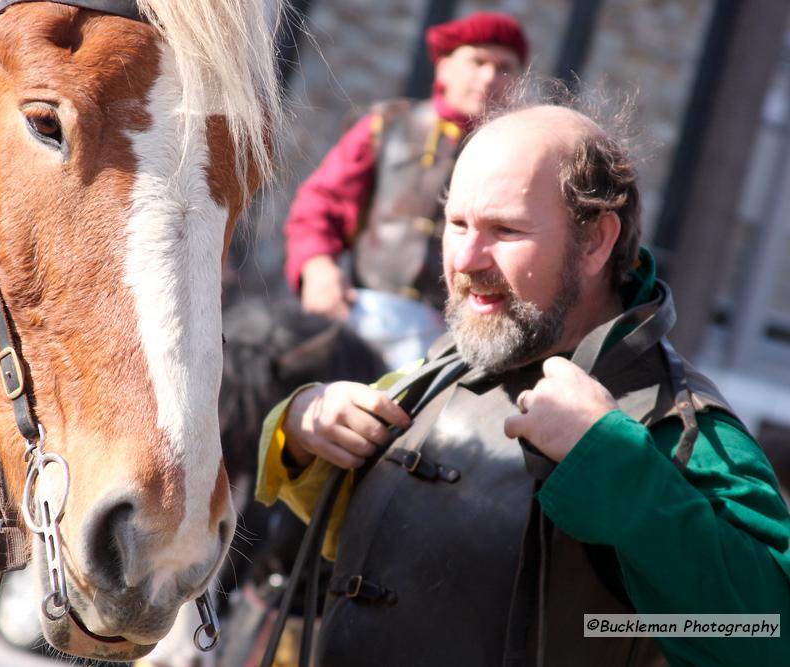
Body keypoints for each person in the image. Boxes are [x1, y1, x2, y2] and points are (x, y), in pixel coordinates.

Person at [256, 98, 790, 665]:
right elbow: (388, 537)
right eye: (456, 223)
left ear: (595, 243)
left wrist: (614, 462)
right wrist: (303, 421)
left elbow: (765, 635)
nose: (464, 258)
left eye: (505, 230)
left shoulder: (678, 423)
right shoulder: (442, 369)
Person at [283, 12, 528, 367]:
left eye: (505, 67)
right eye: (477, 61)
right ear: (443, 68)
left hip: (454, 341)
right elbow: (320, 205)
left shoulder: (519, 156)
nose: (489, 76)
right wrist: (317, 269)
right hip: (362, 316)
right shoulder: (386, 126)